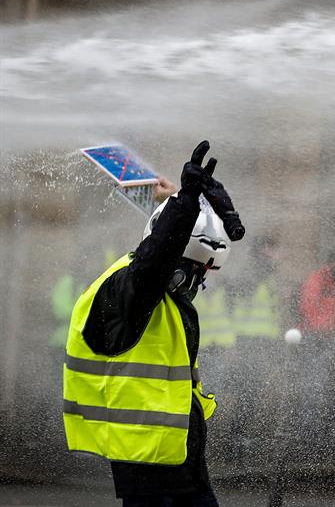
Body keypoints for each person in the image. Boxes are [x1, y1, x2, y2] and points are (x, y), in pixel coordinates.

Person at [62, 141, 245, 506]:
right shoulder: (129, 288)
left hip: (181, 464)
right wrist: (185, 200)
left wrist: (177, 200)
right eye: (194, 273)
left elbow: (162, 245)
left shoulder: (158, 296)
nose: (196, 284)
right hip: (150, 472)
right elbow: (155, 258)